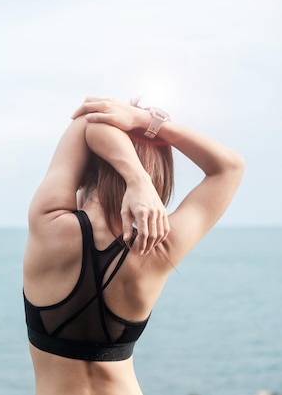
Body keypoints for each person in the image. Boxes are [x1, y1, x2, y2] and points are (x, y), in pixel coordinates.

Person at [23, 97, 244, 395]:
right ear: (161, 178)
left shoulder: (49, 225)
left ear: (86, 167)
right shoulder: (159, 249)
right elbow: (229, 168)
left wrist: (135, 178)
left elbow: (86, 121)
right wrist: (148, 125)